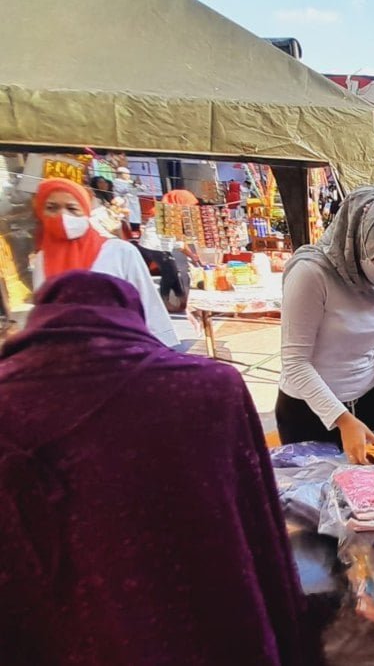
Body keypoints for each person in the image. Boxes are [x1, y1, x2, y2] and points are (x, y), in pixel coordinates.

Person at [0, 272, 315, 666]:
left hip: (74, 634)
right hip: (210, 617)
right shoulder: (210, 388)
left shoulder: (9, 401)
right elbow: (259, 523)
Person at [278, 186, 374, 461]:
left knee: (368, 482)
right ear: (359, 240)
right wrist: (342, 419)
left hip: (369, 402)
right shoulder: (312, 274)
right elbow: (295, 362)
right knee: (316, 485)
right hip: (309, 410)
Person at [31, 177, 178, 347]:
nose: (62, 215)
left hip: (120, 349)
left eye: (72, 208)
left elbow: (148, 302)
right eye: (52, 208)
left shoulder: (119, 251)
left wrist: (162, 348)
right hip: (65, 353)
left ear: (85, 211)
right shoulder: (42, 260)